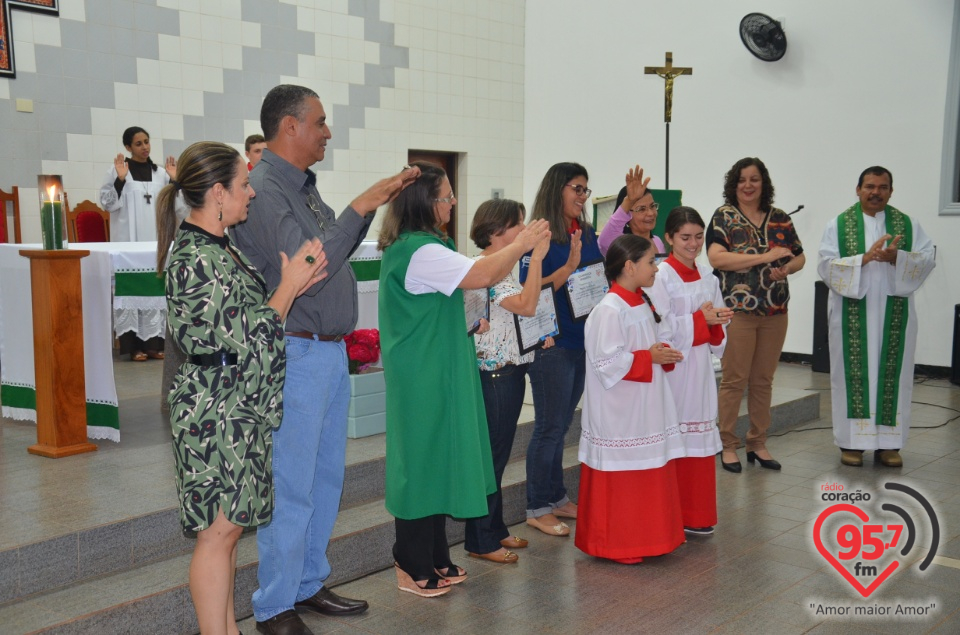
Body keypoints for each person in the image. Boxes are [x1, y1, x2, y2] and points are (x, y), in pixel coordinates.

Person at [231, 84, 418, 635]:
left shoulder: (302, 187)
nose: (328, 132)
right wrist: (362, 205)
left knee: (324, 479)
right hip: (296, 349)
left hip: (327, 352)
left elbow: (329, 250)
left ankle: (307, 582)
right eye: (320, 122)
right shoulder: (265, 189)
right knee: (291, 483)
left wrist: (359, 209)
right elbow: (310, 268)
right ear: (289, 127)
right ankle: (274, 605)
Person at [159, 141, 328, 635]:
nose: (250, 193)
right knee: (217, 533)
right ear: (217, 193)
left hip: (236, 406)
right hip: (214, 410)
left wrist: (295, 280)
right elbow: (250, 334)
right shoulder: (194, 256)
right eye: (243, 183)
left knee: (228, 531)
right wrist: (290, 284)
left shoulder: (218, 246)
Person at [378, 163, 550, 596]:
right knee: (420, 462)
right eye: (446, 197)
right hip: (421, 371)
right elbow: (483, 275)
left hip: (441, 366)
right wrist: (524, 244)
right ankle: (410, 558)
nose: (452, 204)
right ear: (424, 202)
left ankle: (436, 554)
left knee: (438, 457)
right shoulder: (416, 249)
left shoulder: (429, 244)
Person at [576, 234, 686, 563]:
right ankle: (619, 544)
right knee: (625, 477)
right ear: (629, 266)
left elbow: (644, 347)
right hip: (620, 410)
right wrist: (648, 358)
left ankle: (650, 538)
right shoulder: (609, 309)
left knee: (650, 468)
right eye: (651, 261)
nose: (657, 267)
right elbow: (605, 362)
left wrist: (660, 355)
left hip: (645, 403)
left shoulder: (639, 301)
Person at [817, 166, 935, 468]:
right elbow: (826, 264)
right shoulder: (838, 225)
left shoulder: (907, 225)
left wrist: (899, 257)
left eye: (883, 187)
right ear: (858, 189)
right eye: (869, 186)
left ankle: (889, 444)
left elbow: (926, 258)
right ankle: (852, 444)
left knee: (893, 375)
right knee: (852, 375)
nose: (876, 192)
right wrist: (864, 259)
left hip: (894, 314)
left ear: (891, 191)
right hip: (853, 314)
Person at [464, 198, 553, 564]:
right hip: (496, 375)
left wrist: (539, 333)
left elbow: (520, 317)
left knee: (498, 456)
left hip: (510, 369)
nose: (524, 230)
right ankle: (481, 540)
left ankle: (495, 529)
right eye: (518, 224)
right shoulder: (487, 267)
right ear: (497, 229)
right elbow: (527, 304)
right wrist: (539, 258)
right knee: (493, 458)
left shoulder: (506, 264)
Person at [707, 157, 805, 473]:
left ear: (764, 183)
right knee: (735, 379)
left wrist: (787, 267)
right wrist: (766, 256)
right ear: (733, 185)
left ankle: (758, 442)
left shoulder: (779, 218)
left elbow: (799, 255)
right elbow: (717, 258)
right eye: (742, 180)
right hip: (738, 312)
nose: (748, 186)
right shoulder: (724, 216)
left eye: (754, 179)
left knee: (763, 380)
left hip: (776, 310)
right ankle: (727, 444)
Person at [519, 161, 602, 537]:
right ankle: (536, 506)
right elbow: (528, 290)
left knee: (563, 424)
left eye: (586, 189)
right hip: (550, 340)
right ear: (558, 189)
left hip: (581, 338)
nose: (583, 196)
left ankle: (556, 497)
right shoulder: (538, 233)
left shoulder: (584, 231)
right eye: (577, 188)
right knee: (548, 427)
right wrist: (566, 268)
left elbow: (596, 276)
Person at [650, 207, 731, 535]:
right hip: (672, 373)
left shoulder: (710, 278)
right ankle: (671, 515)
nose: (693, 244)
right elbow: (659, 330)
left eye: (699, 237)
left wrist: (717, 323)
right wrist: (701, 321)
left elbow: (719, 332)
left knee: (697, 438)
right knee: (675, 437)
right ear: (668, 238)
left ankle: (696, 514)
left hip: (699, 371)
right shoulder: (660, 277)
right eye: (685, 237)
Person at [99, 126, 177, 361]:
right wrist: (121, 180)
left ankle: (154, 345)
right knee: (133, 291)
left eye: (146, 142)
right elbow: (107, 203)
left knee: (155, 290)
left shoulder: (162, 174)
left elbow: (179, 206)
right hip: (129, 244)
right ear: (128, 147)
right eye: (138, 144)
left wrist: (175, 181)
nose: (145, 147)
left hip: (156, 241)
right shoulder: (117, 171)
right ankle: (134, 347)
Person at [597, 166, 665, 256]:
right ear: (626, 215)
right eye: (642, 209)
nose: (651, 213)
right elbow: (604, 239)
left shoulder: (657, 241)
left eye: (652, 206)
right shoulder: (620, 245)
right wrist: (629, 201)